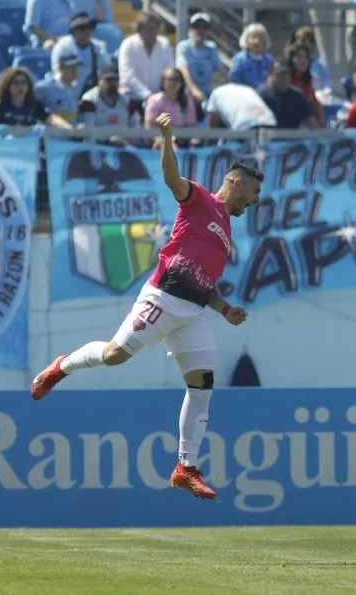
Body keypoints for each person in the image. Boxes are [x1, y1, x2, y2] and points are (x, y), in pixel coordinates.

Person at [31, 113, 263, 503]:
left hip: (193, 312)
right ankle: (62, 365)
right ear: (236, 184)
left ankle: (185, 466)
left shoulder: (225, 230)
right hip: (162, 298)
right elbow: (172, 180)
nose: (256, 201)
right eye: (254, 193)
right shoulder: (200, 200)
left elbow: (204, 283)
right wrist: (167, 136)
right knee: (114, 355)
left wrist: (224, 309)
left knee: (202, 385)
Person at [205, 82, 277, 130]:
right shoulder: (247, 89)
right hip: (269, 121)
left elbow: (212, 128)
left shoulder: (215, 93)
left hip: (244, 124)